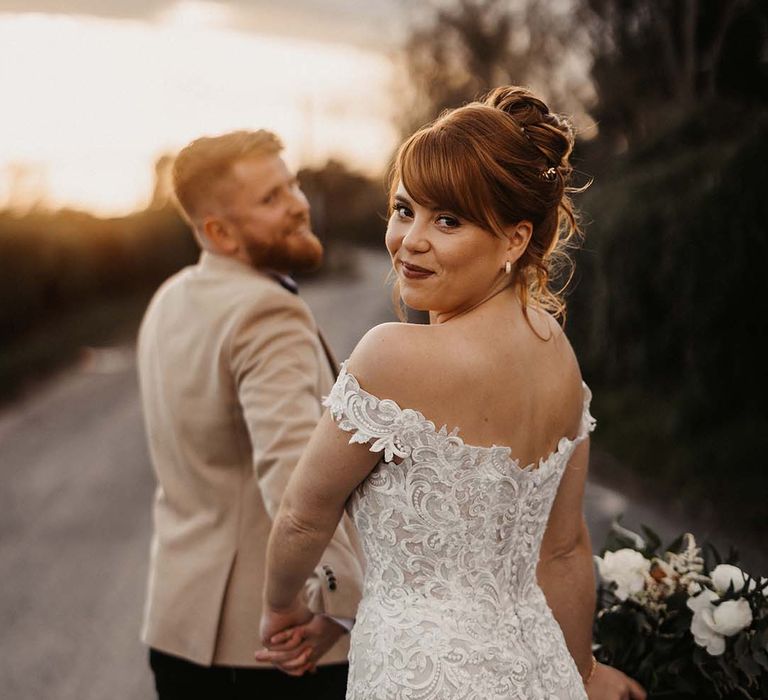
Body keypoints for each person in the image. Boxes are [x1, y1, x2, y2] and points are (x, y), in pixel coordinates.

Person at [256, 88, 647, 699]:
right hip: (538, 674)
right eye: (404, 208)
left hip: (418, 679)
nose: (410, 239)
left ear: (515, 241)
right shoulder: (561, 360)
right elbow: (566, 552)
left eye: (448, 220)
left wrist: (281, 610)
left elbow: (303, 516)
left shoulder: (393, 356)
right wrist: (581, 677)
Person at [137, 129, 364, 699]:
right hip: (275, 654)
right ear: (219, 231)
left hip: (178, 633)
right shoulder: (267, 312)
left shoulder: (170, 298)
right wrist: (336, 601)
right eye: (270, 199)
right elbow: (294, 472)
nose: (298, 205)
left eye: (291, 185)